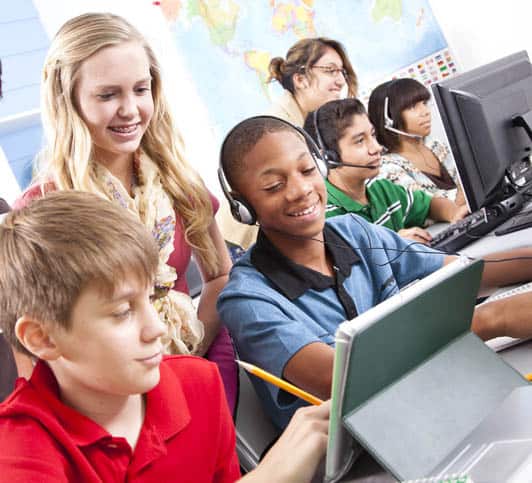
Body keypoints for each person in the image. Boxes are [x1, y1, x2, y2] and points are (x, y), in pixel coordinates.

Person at [216, 115, 532, 428]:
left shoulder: (354, 233)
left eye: (307, 170)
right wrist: (493, 318)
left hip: (430, 397)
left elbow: (462, 272)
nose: (300, 190)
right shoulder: (247, 300)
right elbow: (345, 380)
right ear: (242, 208)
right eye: (273, 186)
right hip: (360, 454)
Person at [0, 191, 330, 483]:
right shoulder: (17, 453)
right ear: (42, 338)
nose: (156, 328)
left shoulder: (198, 382)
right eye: (122, 312)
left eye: (152, 299)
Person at [13, 13, 237, 411]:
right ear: (69, 101)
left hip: (202, 365)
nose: (131, 109)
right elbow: (35, 354)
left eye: (140, 89)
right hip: (114, 402)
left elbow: (220, 277)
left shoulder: (177, 178)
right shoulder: (42, 211)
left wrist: (192, 354)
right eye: (108, 95)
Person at [217, 38, 358, 250]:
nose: (340, 81)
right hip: (246, 244)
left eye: (342, 72)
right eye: (331, 70)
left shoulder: (306, 126)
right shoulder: (277, 130)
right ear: (301, 80)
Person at [303, 98, 468, 245]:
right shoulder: (326, 217)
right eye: (360, 141)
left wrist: (454, 213)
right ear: (329, 157)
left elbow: (430, 205)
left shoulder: (382, 189)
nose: (377, 148)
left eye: (373, 135)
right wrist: (396, 244)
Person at [367, 78, 466, 205]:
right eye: (413, 107)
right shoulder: (387, 169)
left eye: (424, 103)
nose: (425, 112)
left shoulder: (437, 146)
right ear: (388, 119)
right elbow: (430, 208)